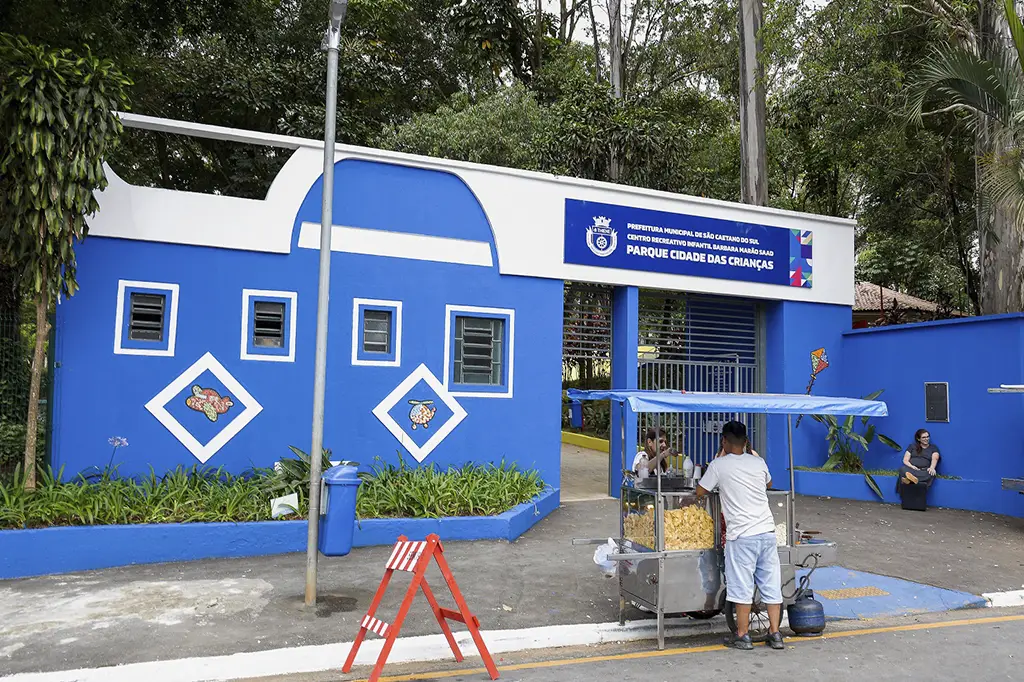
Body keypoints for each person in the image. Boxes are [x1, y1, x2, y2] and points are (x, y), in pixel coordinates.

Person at [697, 420, 784, 651]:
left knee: (741, 587)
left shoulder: (718, 465)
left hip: (742, 536)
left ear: (723, 441)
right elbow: (769, 483)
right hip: (766, 531)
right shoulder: (758, 462)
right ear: (746, 441)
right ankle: (775, 634)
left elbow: (700, 491)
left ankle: (743, 635)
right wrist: (751, 455)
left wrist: (719, 457)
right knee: (771, 584)